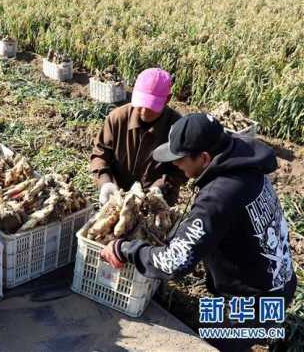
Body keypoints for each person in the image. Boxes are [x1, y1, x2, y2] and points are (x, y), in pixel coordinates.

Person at [100, 113, 297, 351]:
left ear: (204, 158)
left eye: (180, 159)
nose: (175, 164)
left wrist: (125, 249)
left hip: (251, 305)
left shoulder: (219, 196)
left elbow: (174, 262)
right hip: (279, 284)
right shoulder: (245, 164)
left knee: (216, 343)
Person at [90, 68, 187, 206]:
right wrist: (106, 183)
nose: (143, 111)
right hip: (117, 196)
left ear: (167, 99)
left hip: (157, 201)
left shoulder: (177, 127)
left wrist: (161, 187)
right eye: (141, 103)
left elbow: (181, 169)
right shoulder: (117, 119)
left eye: (151, 105)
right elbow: (100, 154)